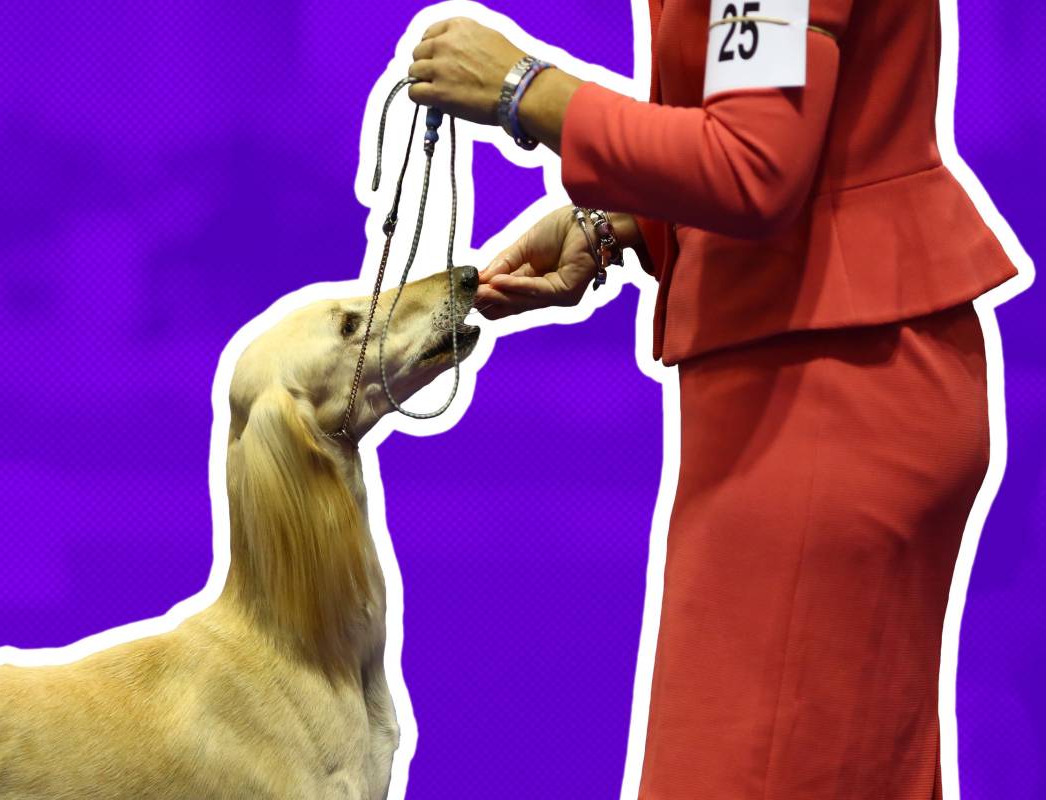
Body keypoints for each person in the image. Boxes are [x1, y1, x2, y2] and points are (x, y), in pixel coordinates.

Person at [405, 2, 1019, 797]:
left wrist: (525, 89)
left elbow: (754, 165)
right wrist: (624, 222)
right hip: (840, 370)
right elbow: (784, 125)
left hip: (827, 396)